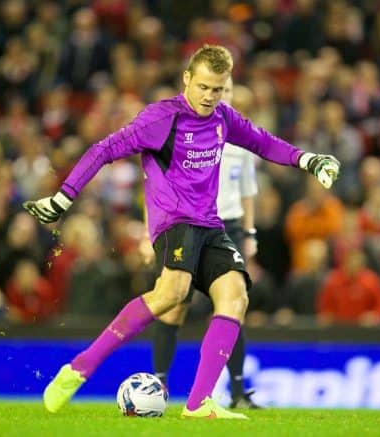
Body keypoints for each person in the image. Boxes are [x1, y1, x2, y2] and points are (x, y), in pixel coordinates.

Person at [23, 44, 340, 419]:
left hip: (210, 224)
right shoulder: (161, 119)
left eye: (217, 89)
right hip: (174, 222)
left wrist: (308, 159)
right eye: (203, 86)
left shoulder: (223, 118)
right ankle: (79, 369)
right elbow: (103, 150)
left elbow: (262, 142)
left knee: (236, 296)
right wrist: (63, 198)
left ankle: (198, 403)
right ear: (187, 79)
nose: (209, 96)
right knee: (170, 294)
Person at [142, 77, 261, 409]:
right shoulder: (183, 132)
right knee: (172, 303)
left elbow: (248, 192)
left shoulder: (241, 140)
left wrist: (250, 234)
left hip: (229, 225)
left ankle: (237, 391)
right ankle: (159, 385)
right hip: (187, 224)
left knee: (234, 303)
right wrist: (145, 232)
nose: (220, 96)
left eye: (227, 90)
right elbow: (154, 183)